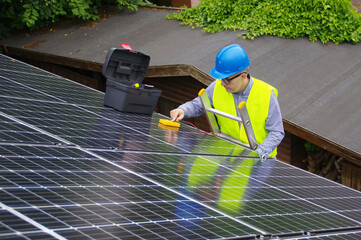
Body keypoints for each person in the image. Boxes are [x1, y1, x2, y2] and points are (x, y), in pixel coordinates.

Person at [170, 44, 284, 159]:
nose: (222, 83)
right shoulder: (217, 87)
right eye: (221, 79)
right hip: (227, 156)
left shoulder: (266, 94)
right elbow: (198, 104)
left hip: (258, 163)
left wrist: (257, 154)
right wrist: (183, 110)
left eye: (226, 80)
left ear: (243, 76)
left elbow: (276, 132)